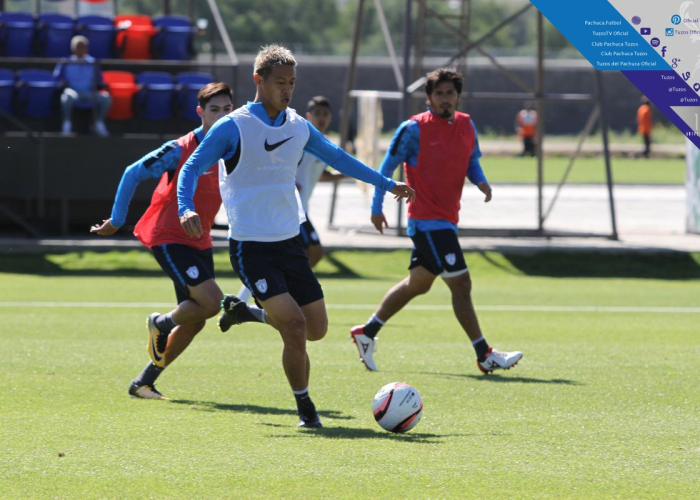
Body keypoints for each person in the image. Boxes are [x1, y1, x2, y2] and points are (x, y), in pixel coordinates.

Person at [177, 45, 415, 428]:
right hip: (250, 247)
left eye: (292, 82)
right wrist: (185, 206)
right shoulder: (233, 126)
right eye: (280, 82)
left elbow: (339, 157)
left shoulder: (297, 125)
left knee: (316, 329)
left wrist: (387, 183)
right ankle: (306, 409)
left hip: (290, 243)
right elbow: (190, 166)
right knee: (296, 327)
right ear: (259, 81)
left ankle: (246, 312)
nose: (287, 90)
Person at [350, 67, 523, 375]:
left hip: (446, 219)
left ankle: (367, 332)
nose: (445, 99)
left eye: (450, 93)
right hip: (427, 221)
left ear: (458, 96)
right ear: (428, 98)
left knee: (417, 285)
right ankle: (485, 354)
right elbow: (386, 168)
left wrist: (481, 182)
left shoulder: (467, 125)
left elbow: (471, 161)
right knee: (462, 283)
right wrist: (377, 207)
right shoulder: (413, 129)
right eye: (439, 94)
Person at [90, 82, 235, 399]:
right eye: (215, 110)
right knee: (211, 302)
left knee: (196, 318)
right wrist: (116, 220)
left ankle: (143, 382)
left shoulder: (232, 148)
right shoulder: (179, 149)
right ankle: (161, 322)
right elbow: (132, 173)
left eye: (227, 109)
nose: (223, 115)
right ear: (201, 113)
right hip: (169, 236)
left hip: (201, 240)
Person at [236, 95, 342, 308]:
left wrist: (346, 175)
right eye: (317, 114)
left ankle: (245, 301)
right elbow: (281, 164)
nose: (321, 118)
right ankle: (293, 293)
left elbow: (319, 174)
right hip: (292, 208)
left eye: (325, 114)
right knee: (314, 251)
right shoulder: (302, 142)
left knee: (283, 257)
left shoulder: (322, 143)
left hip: (299, 209)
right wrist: (288, 181)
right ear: (308, 116)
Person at [54, 35, 112, 137]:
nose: (80, 50)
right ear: (73, 48)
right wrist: (62, 84)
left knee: (106, 97)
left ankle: (98, 123)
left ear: (87, 49)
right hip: (73, 93)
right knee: (67, 96)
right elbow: (56, 79)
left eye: (83, 47)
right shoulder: (65, 62)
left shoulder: (93, 62)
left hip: (90, 94)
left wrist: (98, 86)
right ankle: (66, 124)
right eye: (78, 47)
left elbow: (99, 80)